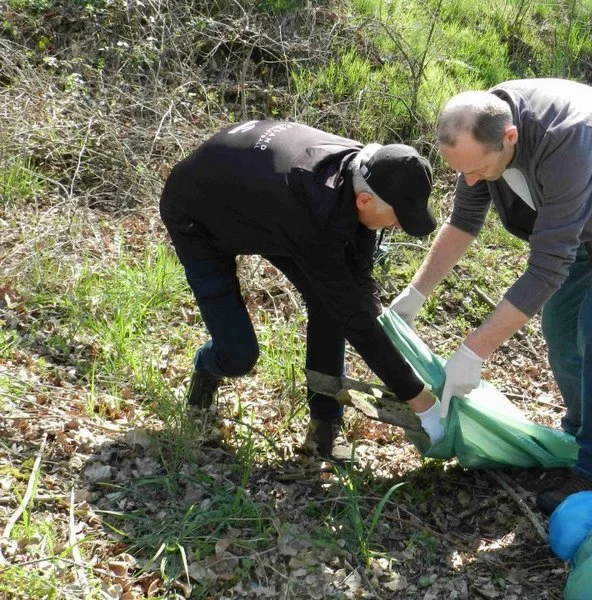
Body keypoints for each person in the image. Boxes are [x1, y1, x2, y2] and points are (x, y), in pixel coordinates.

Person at [389, 79, 592, 513]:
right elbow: (463, 222)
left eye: (476, 170)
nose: (469, 180)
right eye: (461, 170)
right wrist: (414, 296)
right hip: (583, 228)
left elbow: (548, 266)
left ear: (510, 137)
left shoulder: (570, 137)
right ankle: (578, 439)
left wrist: (473, 352)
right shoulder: (484, 125)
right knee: (560, 328)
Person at [160, 119, 444, 459]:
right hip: (197, 216)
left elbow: (359, 283)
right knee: (239, 355)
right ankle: (207, 370)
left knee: (330, 306)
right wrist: (420, 401)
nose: (398, 226)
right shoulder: (316, 208)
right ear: (365, 201)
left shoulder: (362, 172)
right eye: (397, 218)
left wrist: (391, 330)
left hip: (260, 200)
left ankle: (323, 429)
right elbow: (351, 314)